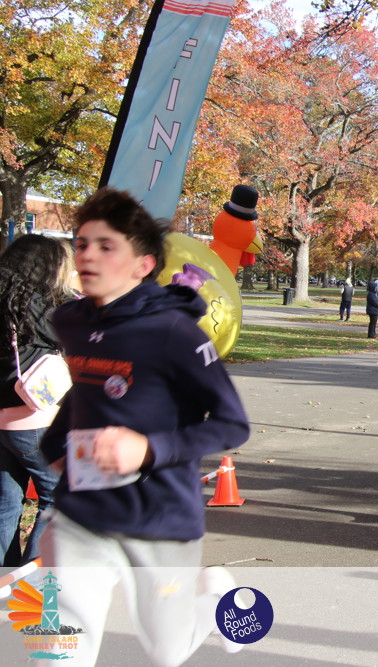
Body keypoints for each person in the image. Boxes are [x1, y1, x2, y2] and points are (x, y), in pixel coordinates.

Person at [38, 187, 251, 665]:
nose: (87, 256)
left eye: (106, 246)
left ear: (143, 265)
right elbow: (87, 385)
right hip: (82, 515)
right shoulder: (70, 321)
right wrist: (54, 444)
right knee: (59, 650)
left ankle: (215, 597)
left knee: (167, 652)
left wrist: (147, 450)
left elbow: (232, 425)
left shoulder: (174, 333)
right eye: (81, 243)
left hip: (159, 517)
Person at [0, 235, 76, 567]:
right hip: (36, 422)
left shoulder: (8, 302)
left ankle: (5, 578)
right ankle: (33, 584)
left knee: (6, 503)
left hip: (3, 422)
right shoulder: (47, 308)